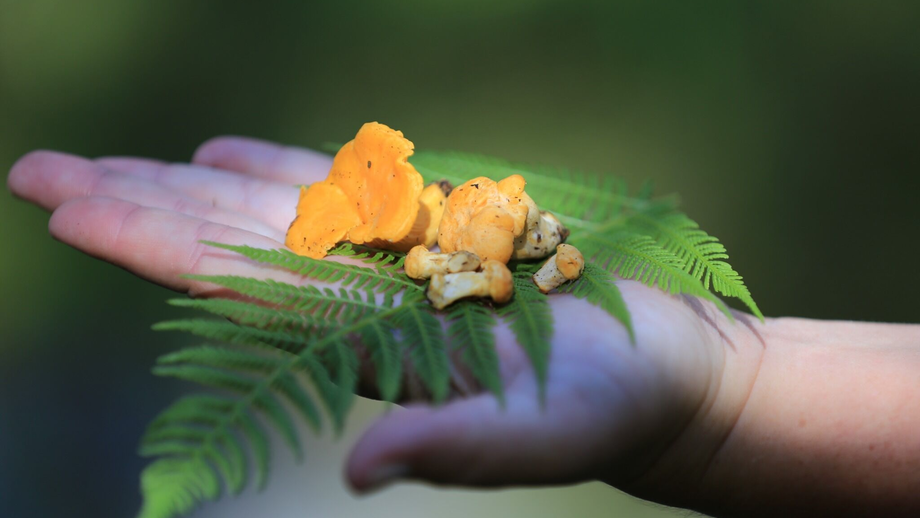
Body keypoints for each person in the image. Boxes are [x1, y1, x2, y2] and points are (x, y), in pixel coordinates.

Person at [7, 138, 919, 518]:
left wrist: (732, 392)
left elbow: (514, 243)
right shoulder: (411, 212)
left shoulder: (498, 233)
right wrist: (738, 385)